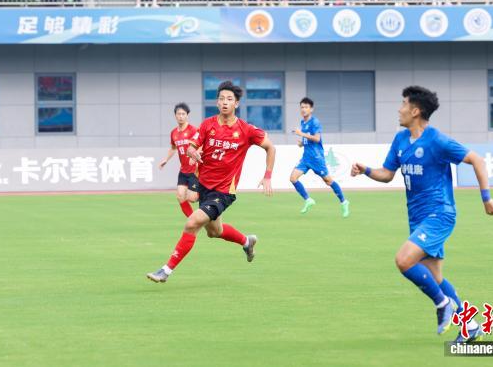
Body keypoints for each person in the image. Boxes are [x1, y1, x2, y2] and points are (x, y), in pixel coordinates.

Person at [350, 86, 493, 343]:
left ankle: (442, 304)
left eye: (403, 104)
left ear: (415, 111)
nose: (399, 109)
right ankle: (471, 326)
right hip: (418, 218)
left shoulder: (437, 141)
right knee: (435, 277)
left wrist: (486, 198)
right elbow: (387, 175)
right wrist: (366, 170)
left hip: (439, 214)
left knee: (403, 260)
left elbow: (478, 160)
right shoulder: (400, 140)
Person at [146, 80, 276, 283]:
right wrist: (192, 152)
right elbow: (192, 146)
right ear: (217, 102)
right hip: (205, 186)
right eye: (221, 98)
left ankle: (165, 271)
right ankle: (246, 241)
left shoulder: (246, 130)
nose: (225, 102)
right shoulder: (208, 124)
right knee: (215, 232)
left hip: (224, 191)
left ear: (236, 104)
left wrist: (267, 175)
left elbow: (270, 147)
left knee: (192, 223)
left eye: (229, 99)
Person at [290, 98, 350, 217]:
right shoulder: (303, 122)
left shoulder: (315, 122)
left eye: (306, 107)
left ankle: (344, 202)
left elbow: (317, 138)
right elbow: (308, 138)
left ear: (311, 109)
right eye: (302, 107)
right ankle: (308, 200)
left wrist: (301, 134)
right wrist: (302, 143)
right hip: (306, 158)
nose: (303, 109)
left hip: (317, 158)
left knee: (328, 181)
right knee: (293, 178)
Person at [159, 103, 200, 218]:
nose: (181, 116)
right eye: (179, 114)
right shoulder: (174, 133)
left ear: (187, 115)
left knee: (192, 198)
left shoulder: (193, 130)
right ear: (175, 116)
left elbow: (201, 145)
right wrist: (165, 160)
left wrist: (195, 156)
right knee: (180, 196)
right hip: (183, 170)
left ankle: (205, 192)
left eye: (183, 114)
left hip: (195, 170)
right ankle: (193, 220)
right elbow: (173, 148)